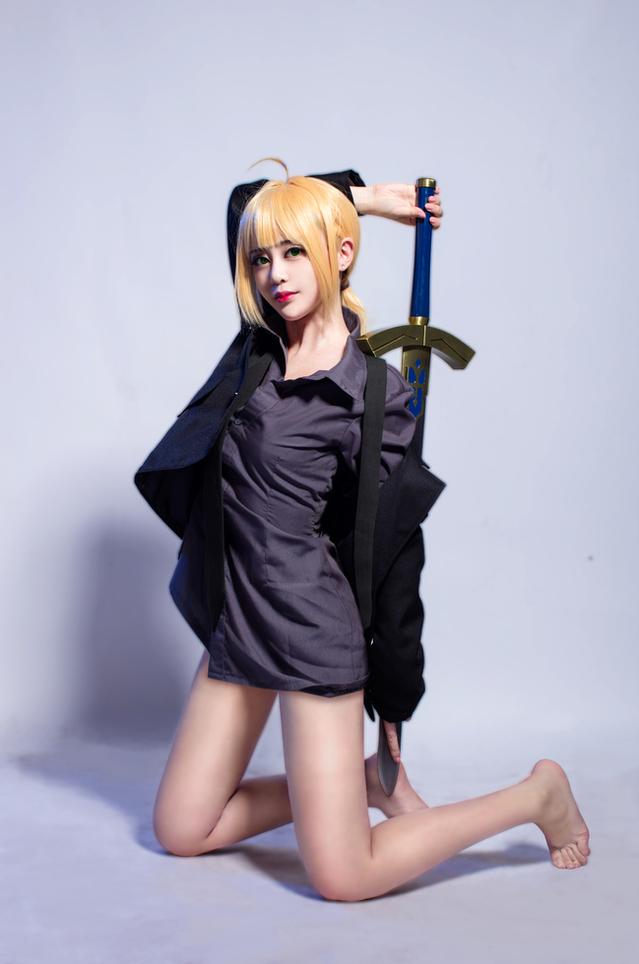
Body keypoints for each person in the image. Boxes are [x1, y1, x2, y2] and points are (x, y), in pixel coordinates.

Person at [144, 161, 590, 900]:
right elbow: (245, 205)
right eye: (263, 258)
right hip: (237, 621)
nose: (277, 274)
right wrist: (373, 200)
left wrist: (395, 693)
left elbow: (394, 554)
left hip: (312, 629)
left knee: (343, 877)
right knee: (181, 829)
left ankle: (535, 796)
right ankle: (359, 786)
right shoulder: (258, 348)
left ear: (340, 253)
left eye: (297, 251)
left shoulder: (373, 392)